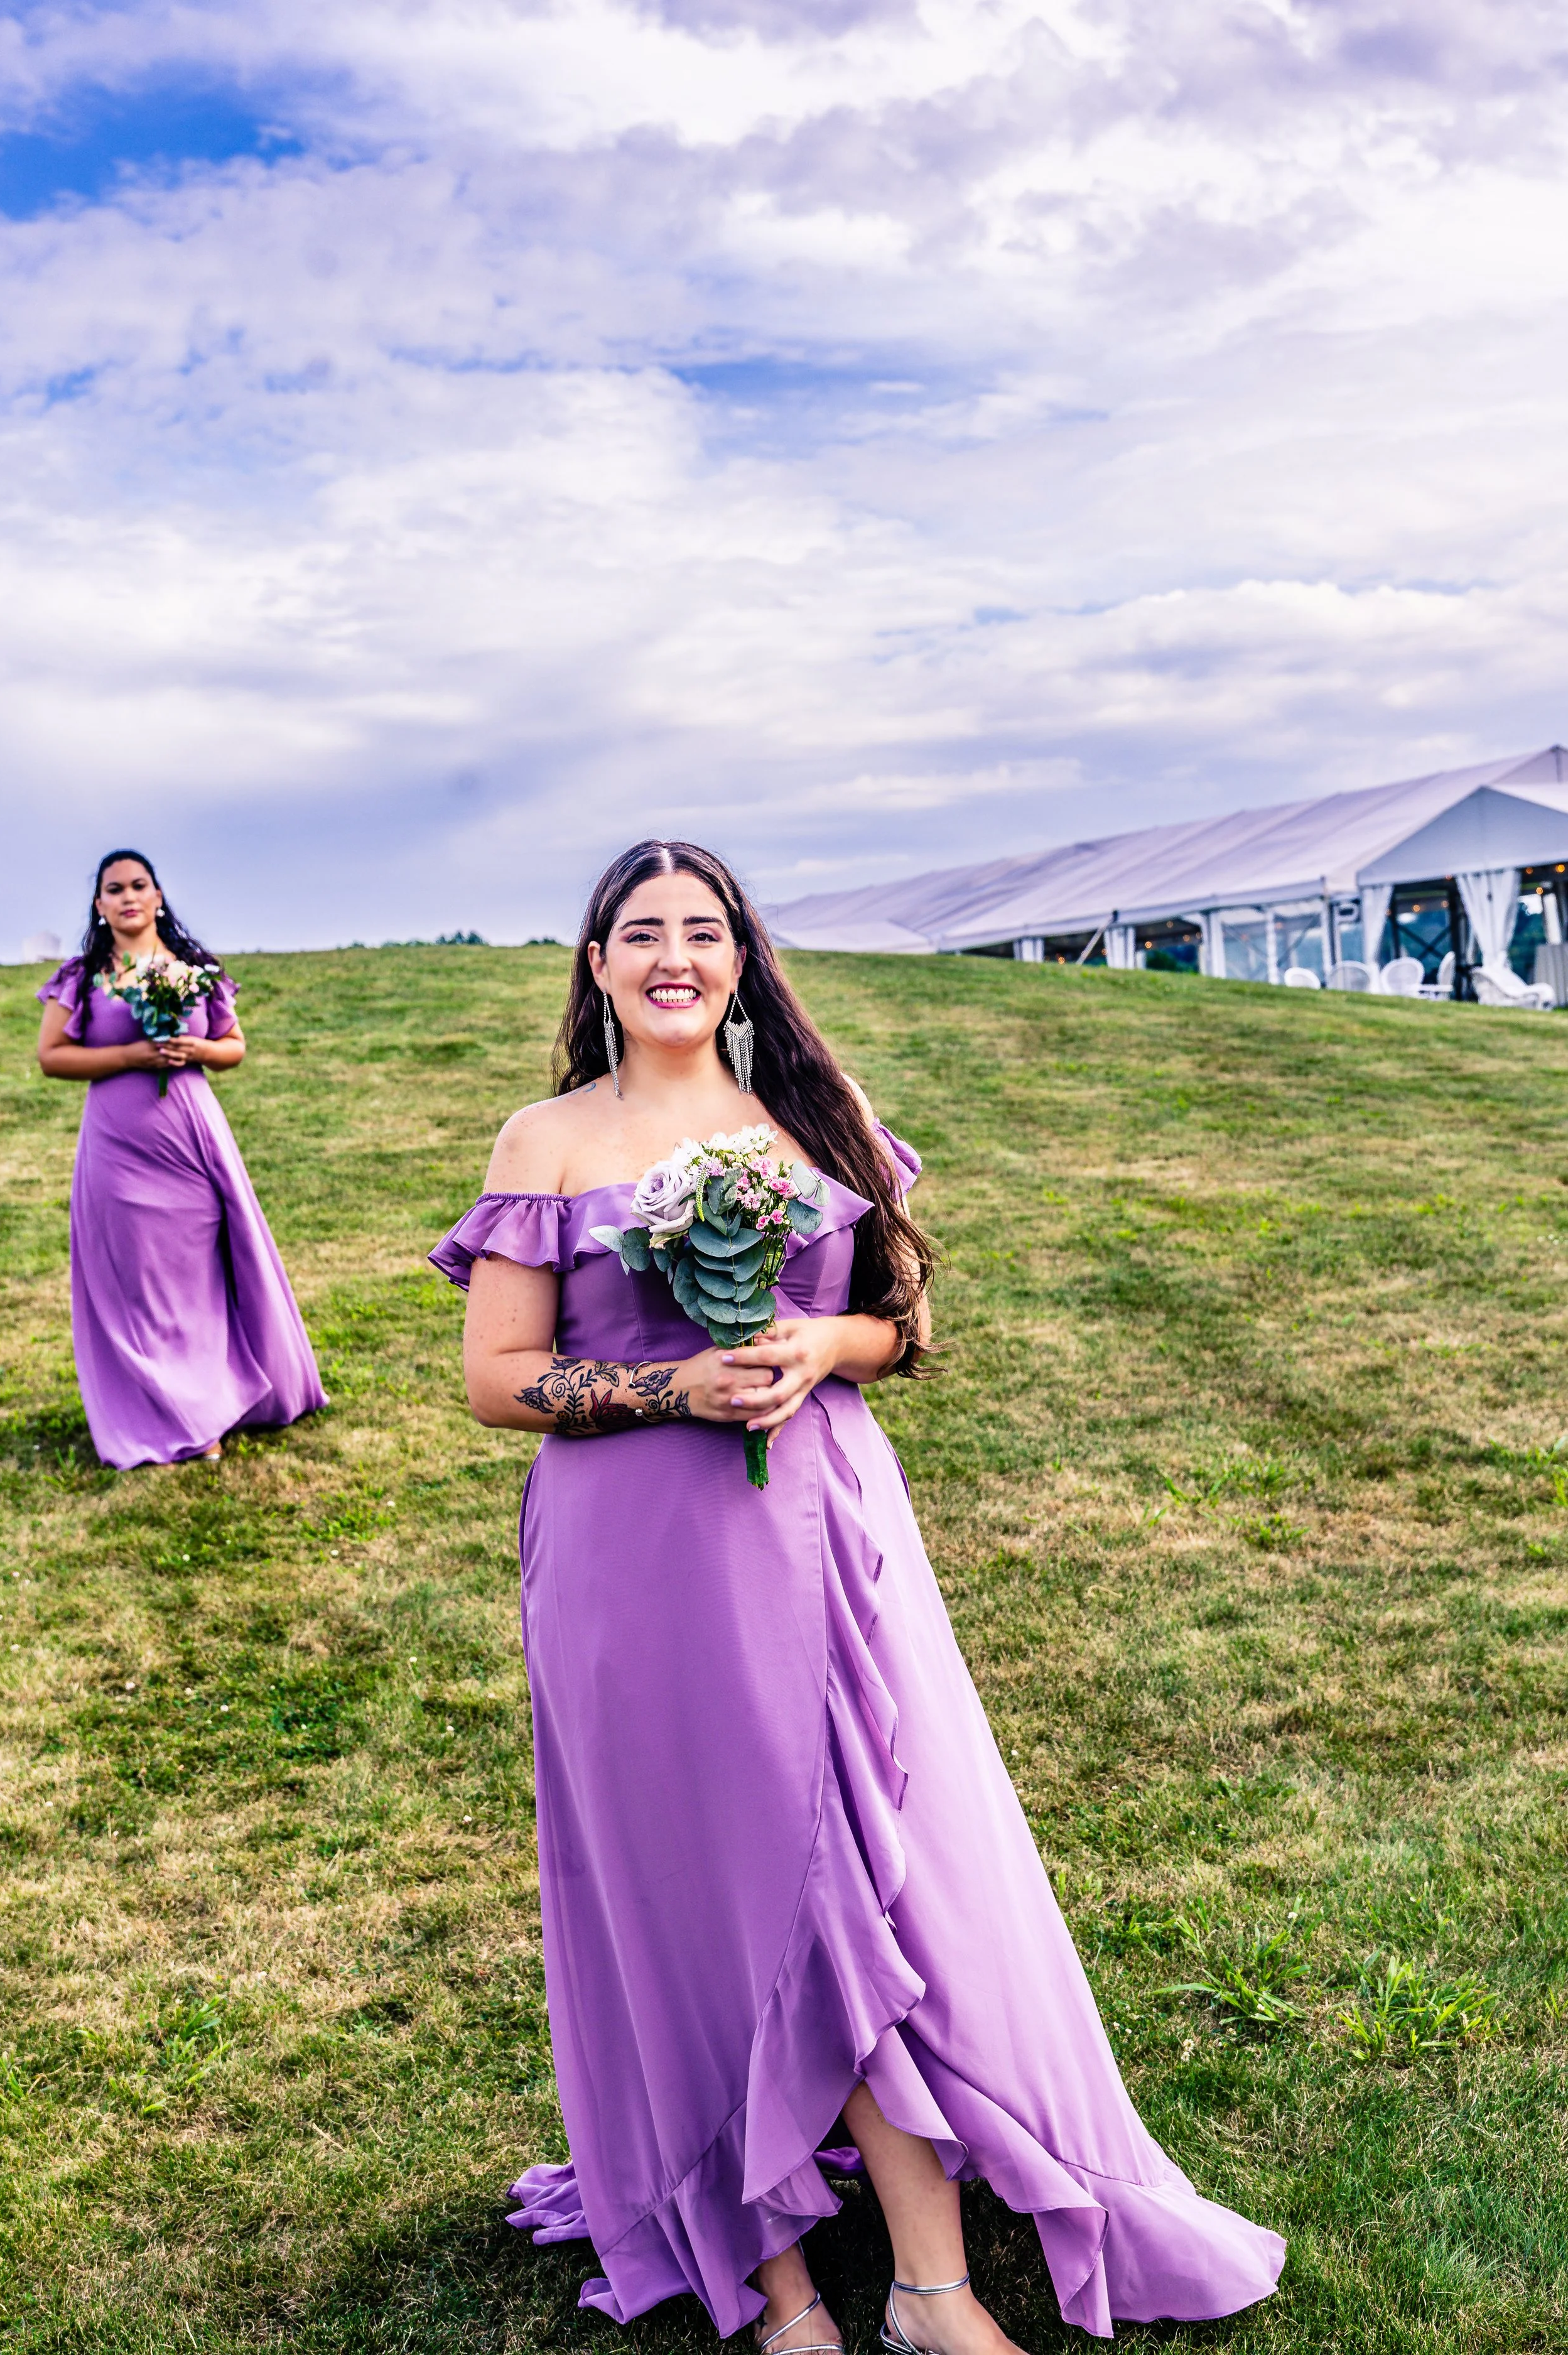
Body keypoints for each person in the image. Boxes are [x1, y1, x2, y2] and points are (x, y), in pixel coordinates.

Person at [431, 841, 1284, 2352]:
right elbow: (498, 1377)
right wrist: (669, 1381)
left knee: (845, 1884)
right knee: (698, 1899)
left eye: (704, 929)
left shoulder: (809, 1112)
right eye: (643, 932)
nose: (674, 954)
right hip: (633, 1568)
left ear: (744, 954)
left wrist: (824, 1346)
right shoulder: (548, 1135)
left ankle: (931, 2284)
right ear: (598, 962)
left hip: (817, 1540)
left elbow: (904, 1320)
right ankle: (773, 2282)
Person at [36, 848, 326, 1469]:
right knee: (141, 1281)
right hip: (118, 1145)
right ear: (100, 906)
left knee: (197, 1276)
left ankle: (217, 1400)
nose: (128, 896)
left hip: (191, 1139)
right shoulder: (82, 975)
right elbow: (52, 1056)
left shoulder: (196, 970)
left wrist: (196, 1047)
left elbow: (234, 1045)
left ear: (159, 896)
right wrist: (131, 1057)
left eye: (139, 885)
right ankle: (175, 1413)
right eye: (114, 889)